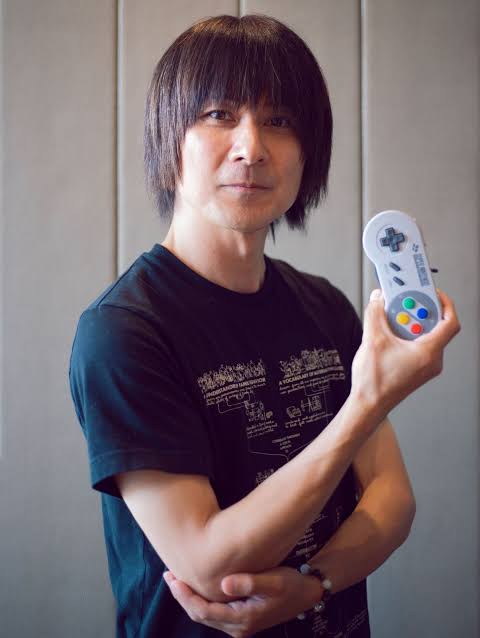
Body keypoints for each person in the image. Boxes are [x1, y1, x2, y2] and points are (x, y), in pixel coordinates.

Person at [68, 13, 460, 638]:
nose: (251, 148)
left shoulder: (325, 305)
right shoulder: (123, 333)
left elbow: (393, 500)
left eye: (279, 121)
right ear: (169, 137)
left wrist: (312, 586)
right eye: (219, 114)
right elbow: (209, 562)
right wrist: (369, 401)